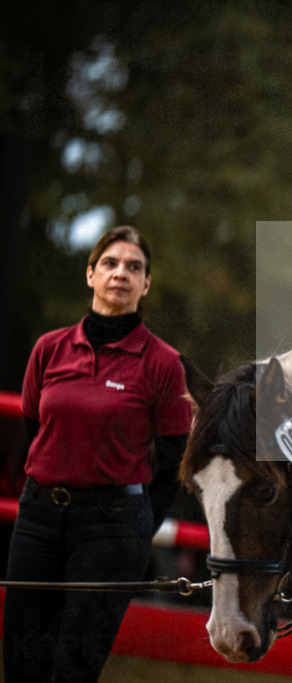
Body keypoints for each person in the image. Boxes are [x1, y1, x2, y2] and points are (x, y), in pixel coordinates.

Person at [4, 226, 193, 682]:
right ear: (90, 274)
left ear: (146, 284)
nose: (120, 273)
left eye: (134, 267)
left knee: (73, 668)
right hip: (37, 521)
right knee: (21, 663)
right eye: (110, 263)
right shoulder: (49, 349)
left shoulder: (163, 363)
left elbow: (174, 460)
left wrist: (138, 528)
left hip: (112, 529)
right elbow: (35, 429)